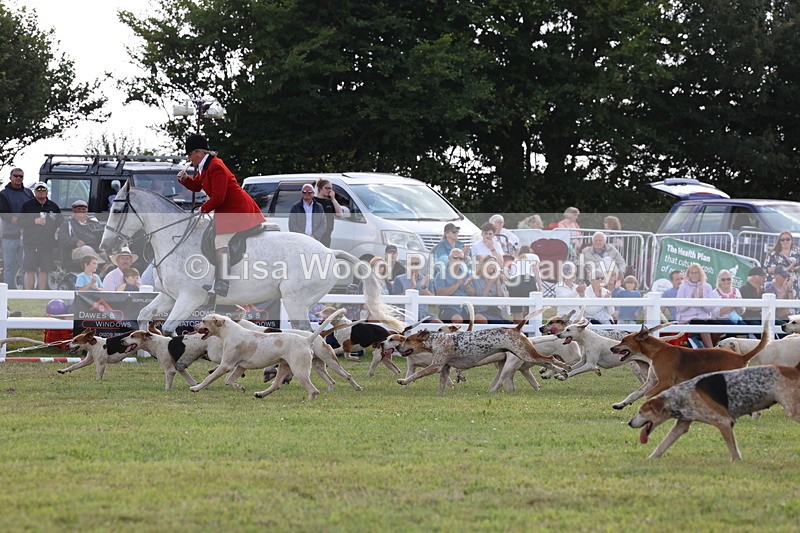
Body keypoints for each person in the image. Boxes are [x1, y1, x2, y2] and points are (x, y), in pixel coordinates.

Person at [177, 134, 266, 302]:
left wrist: (203, 208)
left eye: (190, 154)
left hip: (238, 209)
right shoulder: (205, 166)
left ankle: (222, 281)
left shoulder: (215, 166)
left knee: (221, 240)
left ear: (198, 152)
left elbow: (219, 197)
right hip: (227, 210)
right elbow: (197, 185)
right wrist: (185, 180)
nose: (189, 159)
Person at [19, 182, 63, 290]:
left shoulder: (53, 206)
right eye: (38, 190)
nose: (41, 192)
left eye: (43, 190)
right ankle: (28, 294)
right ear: (35, 192)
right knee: (29, 269)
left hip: (47, 245)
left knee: (45, 270)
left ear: (47, 192)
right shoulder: (27, 205)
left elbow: (60, 221)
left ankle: (41, 293)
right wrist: (34, 221)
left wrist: (57, 228)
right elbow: (20, 221)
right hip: (31, 244)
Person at [0, 168, 34, 288]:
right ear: (10, 177)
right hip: (9, 237)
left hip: (26, 237)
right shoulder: (3, 194)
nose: (18, 178)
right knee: (9, 267)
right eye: (16, 176)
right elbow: (3, 214)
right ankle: (9, 292)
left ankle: (24, 291)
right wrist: (21, 223)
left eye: (21, 176)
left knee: (25, 266)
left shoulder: (28, 193)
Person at [675, 263, 717, 348]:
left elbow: (710, 309)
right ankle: (711, 350)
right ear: (688, 274)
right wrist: (691, 300)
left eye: (696, 272)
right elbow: (679, 308)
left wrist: (702, 300)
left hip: (705, 317)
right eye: (692, 272)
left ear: (700, 273)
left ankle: (712, 347)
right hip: (688, 318)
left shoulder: (707, 287)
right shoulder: (683, 287)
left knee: (719, 324)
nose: (694, 275)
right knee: (701, 323)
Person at [392, 254, 440, 323]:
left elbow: (433, 301)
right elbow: (396, 300)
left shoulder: (425, 279)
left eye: (416, 263)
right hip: (404, 312)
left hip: (423, 313)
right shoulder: (399, 279)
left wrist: (424, 287)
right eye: (411, 263)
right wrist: (412, 288)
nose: (414, 266)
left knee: (438, 323)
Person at [57, 199, 104, 268]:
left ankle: (110, 267)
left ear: (87, 210)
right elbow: (62, 239)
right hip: (75, 250)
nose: (81, 211)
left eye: (83, 209)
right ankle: (103, 266)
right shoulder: (67, 223)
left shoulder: (94, 222)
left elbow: (102, 235)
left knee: (110, 252)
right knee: (86, 249)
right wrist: (75, 242)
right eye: (78, 209)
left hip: (95, 248)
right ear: (73, 210)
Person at [469, 255, 511, 324]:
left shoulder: (496, 278)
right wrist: (490, 282)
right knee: (502, 325)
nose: (492, 266)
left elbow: (500, 297)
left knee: (510, 325)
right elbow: (482, 298)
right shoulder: (476, 279)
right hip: (481, 312)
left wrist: (497, 281)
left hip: (495, 312)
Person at [435, 248, 473, 323]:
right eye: (455, 258)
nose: (458, 260)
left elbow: (473, 294)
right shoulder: (441, 275)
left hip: (465, 308)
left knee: (479, 319)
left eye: (461, 258)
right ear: (449, 258)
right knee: (457, 319)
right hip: (448, 309)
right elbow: (441, 293)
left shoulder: (467, 275)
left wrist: (467, 287)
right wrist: (457, 284)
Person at [507, 245, 540, 321]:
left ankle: (518, 327)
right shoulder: (534, 256)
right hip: (527, 281)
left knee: (516, 310)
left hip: (513, 283)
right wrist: (540, 287)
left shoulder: (516, 259)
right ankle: (530, 326)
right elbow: (536, 270)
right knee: (531, 309)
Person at [763, 231, 800, 296]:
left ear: (791, 240)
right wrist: (787, 268)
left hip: (794, 281)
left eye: (788, 239)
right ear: (779, 242)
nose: (785, 241)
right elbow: (768, 269)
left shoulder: (797, 252)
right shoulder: (773, 253)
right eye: (782, 240)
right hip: (777, 281)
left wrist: (794, 268)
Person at [314, 178, 343, 247]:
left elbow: (339, 214)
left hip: (327, 233)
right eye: (327, 188)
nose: (329, 190)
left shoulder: (329, 201)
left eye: (331, 188)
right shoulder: (313, 201)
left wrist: (333, 198)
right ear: (320, 188)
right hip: (315, 233)